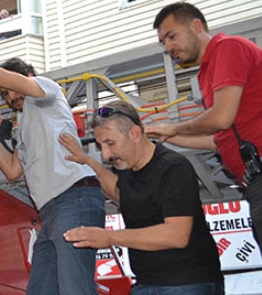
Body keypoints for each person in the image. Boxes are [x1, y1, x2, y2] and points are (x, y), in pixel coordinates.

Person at [0, 57, 105, 294]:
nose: (10, 97)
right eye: (4, 95)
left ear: (27, 77)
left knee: (75, 290)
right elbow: (12, 170)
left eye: (11, 90)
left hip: (74, 198)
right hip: (50, 212)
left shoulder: (46, 91)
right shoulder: (23, 125)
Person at [146, 1, 262, 292]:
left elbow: (221, 117)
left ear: (196, 26)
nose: (168, 47)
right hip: (258, 177)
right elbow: (219, 138)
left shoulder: (227, 48)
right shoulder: (206, 72)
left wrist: (173, 127)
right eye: (162, 42)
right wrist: (166, 135)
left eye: (171, 36)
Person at [60, 100, 224, 294]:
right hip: (145, 284)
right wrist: (87, 160)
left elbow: (177, 235)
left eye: (110, 143)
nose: (105, 154)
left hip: (188, 283)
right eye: (101, 145)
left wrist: (110, 237)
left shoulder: (173, 167)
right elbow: (120, 194)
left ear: (135, 133)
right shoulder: (127, 168)